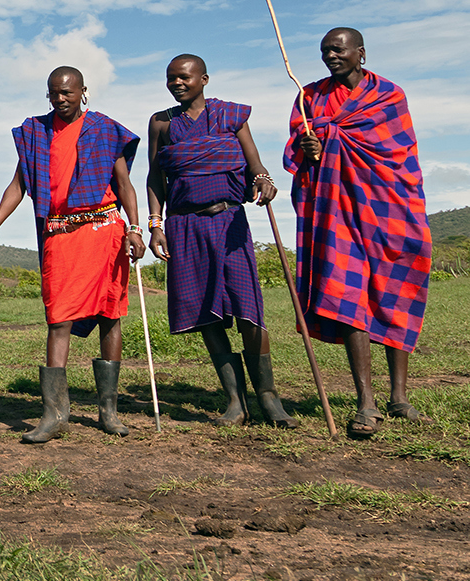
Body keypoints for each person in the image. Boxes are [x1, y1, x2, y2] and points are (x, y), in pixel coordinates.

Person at [0, 67, 146, 443]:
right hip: (59, 235)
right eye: (54, 94)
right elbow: (18, 186)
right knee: (58, 319)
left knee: (109, 315)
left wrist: (135, 228)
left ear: (83, 91)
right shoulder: (36, 133)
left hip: (104, 232)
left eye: (67, 92)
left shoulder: (104, 130)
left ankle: (109, 410)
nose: (60, 99)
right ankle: (54, 414)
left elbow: (125, 186)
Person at [286, 28, 430, 439]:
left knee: (395, 292)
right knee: (350, 297)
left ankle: (399, 397)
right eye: (324, 51)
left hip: (390, 209)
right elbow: (298, 147)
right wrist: (309, 148)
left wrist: (329, 138)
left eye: (338, 49)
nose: (330, 55)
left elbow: (399, 152)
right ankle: (366, 402)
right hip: (335, 212)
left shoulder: (389, 95)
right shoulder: (308, 97)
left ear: (360, 53)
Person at [144, 55, 293, 427]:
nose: (176, 83)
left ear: (204, 79)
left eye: (184, 77)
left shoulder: (231, 116)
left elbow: (254, 163)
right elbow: (154, 178)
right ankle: (235, 402)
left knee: (249, 310)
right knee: (206, 312)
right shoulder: (162, 123)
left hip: (229, 221)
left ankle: (270, 399)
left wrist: (264, 180)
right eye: (170, 78)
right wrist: (155, 224)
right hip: (185, 226)